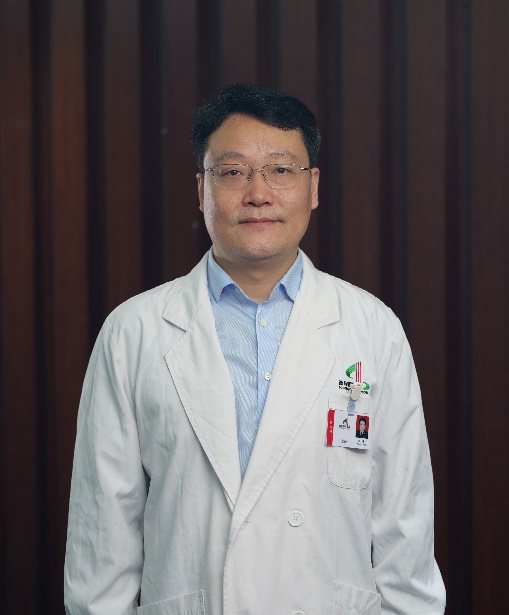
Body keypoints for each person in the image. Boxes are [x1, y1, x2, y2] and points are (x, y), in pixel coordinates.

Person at [64, 84, 446, 614]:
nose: (258, 193)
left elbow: (406, 529)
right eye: (233, 171)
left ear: (313, 187)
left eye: (281, 170)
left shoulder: (373, 330)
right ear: (202, 189)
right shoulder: (133, 333)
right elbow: (101, 541)